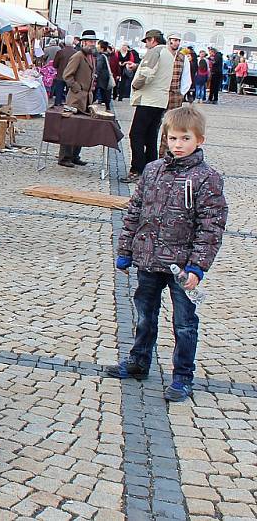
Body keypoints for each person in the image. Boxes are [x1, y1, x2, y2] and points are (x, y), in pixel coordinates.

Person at [107, 105, 228, 402]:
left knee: (184, 323)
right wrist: (125, 250)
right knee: (145, 316)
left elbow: (211, 227)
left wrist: (197, 268)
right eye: (173, 138)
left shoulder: (206, 178)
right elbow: (135, 212)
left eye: (185, 139)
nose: (178, 145)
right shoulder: (152, 170)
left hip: (182, 266)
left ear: (199, 140)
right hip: (148, 259)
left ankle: (182, 376)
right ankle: (138, 361)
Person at [121, 29, 174, 183]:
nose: (146, 45)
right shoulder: (168, 53)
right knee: (151, 136)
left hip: (148, 99)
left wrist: (136, 85)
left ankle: (137, 169)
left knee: (136, 134)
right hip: (160, 100)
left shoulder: (154, 52)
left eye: (147, 42)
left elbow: (147, 73)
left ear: (152, 40)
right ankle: (152, 169)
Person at [58, 30, 97, 168]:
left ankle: (75, 155)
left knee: (81, 128)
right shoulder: (78, 56)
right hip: (76, 98)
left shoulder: (91, 57)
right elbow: (67, 75)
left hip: (86, 98)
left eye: (94, 42)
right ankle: (65, 157)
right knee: (70, 128)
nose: (93, 44)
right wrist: (77, 88)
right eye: (90, 42)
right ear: (84, 42)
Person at [52, 40, 76, 107]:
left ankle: (57, 105)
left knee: (59, 92)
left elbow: (55, 64)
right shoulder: (76, 53)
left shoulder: (60, 52)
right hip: (71, 76)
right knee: (70, 93)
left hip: (60, 75)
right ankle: (69, 105)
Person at [94, 40, 115, 110]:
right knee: (105, 92)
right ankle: (108, 106)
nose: (97, 47)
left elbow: (99, 67)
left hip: (101, 77)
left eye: (98, 45)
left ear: (102, 48)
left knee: (95, 91)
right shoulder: (108, 55)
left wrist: (95, 74)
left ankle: (90, 104)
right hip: (106, 77)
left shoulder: (101, 56)